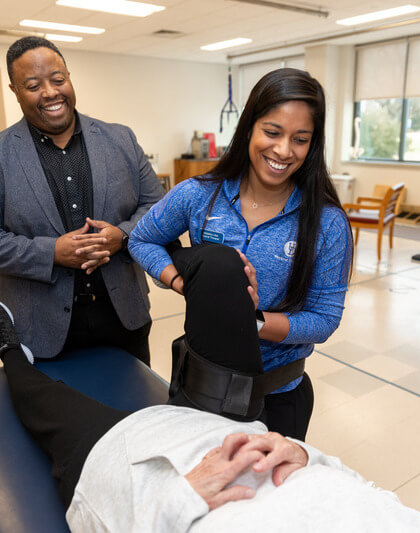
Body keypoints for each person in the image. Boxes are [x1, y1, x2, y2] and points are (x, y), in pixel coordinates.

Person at [0, 254, 420, 532]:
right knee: (218, 265)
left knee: (41, 398)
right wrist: (303, 455)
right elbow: (365, 488)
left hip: (134, 473)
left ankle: (11, 353)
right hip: (222, 432)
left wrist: (181, 498)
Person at [128, 68, 352, 440]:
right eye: (272, 132)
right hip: (202, 386)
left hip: (279, 396)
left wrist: (252, 320)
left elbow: (324, 319)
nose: (283, 151)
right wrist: (184, 282)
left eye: (300, 139)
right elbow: (141, 239)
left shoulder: (326, 223)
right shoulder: (199, 194)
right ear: (249, 127)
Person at [0, 36, 163, 366]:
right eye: (33, 85)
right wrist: (51, 253)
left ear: (68, 77)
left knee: (135, 414)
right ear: (15, 91)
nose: (50, 92)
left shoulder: (121, 139)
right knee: (57, 416)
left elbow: (157, 208)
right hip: (39, 327)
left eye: (58, 80)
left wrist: (121, 236)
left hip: (125, 316)